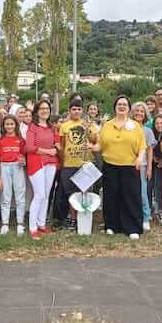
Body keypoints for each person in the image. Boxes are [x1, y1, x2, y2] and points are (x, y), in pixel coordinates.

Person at [91, 96, 145, 240]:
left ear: (128, 108)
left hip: (130, 166)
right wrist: (92, 147)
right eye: (119, 104)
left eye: (124, 104)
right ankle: (111, 226)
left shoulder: (135, 126)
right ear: (115, 107)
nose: (122, 106)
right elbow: (100, 145)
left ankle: (132, 227)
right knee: (111, 196)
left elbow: (142, 146)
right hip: (110, 166)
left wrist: (140, 158)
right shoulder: (107, 125)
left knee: (131, 197)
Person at [59, 98, 97, 231]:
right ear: (70, 111)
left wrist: (88, 130)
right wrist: (62, 163)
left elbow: (94, 140)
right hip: (69, 164)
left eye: (79, 109)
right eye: (74, 109)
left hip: (85, 164)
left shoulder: (87, 124)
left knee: (84, 191)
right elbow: (62, 146)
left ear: (82, 111)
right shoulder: (64, 126)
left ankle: (83, 219)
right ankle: (73, 219)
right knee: (71, 194)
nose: (76, 111)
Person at [25, 99, 60, 240]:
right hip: (36, 164)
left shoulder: (52, 128)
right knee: (39, 195)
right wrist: (47, 151)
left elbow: (57, 146)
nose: (45, 111)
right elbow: (28, 147)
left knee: (45, 195)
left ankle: (41, 224)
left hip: (51, 164)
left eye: (47, 108)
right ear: (37, 111)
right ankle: (33, 227)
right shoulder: (32, 127)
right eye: (42, 108)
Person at [0, 115, 26, 236]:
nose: (9, 126)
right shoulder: (0, 140)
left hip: (17, 167)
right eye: (7, 124)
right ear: (3, 126)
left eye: (12, 124)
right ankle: (5, 224)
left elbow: (23, 156)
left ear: (16, 125)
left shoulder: (20, 140)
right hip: (4, 167)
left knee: (20, 195)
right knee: (5, 197)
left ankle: (20, 224)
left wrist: (23, 161)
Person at [131, 102, 156, 231]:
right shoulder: (127, 128)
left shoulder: (147, 131)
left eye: (142, 111)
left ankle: (146, 218)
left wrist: (150, 168)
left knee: (143, 193)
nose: (139, 113)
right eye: (137, 111)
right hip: (128, 165)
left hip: (143, 166)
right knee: (130, 193)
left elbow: (150, 150)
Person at [151, 114, 162, 224]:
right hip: (151, 164)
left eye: (161, 123)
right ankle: (154, 210)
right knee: (151, 187)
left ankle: (160, 210)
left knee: (159, 188)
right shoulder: (152, 134)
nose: (159, 125)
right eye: (157, 123)